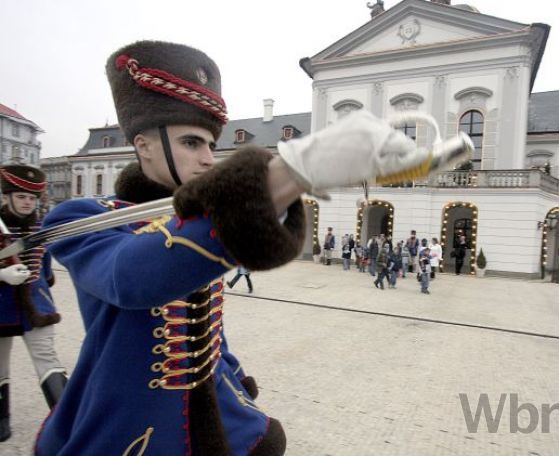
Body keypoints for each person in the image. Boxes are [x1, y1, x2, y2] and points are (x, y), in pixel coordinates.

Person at [35, 40, 428, 455]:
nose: (208, 158)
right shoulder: (81, 216)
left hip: (214, 405)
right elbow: (129, 279)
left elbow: (207, 321)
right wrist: (291, 171)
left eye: (209, 144)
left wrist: (236, 375)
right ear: (143, 145)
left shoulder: (198, 214)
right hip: (133, 423)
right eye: (191, 143)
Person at [0, 165, 68, 442]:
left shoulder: (42, 228)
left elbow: (47, 269)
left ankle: (67, 420)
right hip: (1, 306)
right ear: (7, 196)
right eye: (21, 196)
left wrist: (41, 284)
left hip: (37, 307)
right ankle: (1, 418)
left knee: (48, 360)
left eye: (32, 197)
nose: (28, 202)